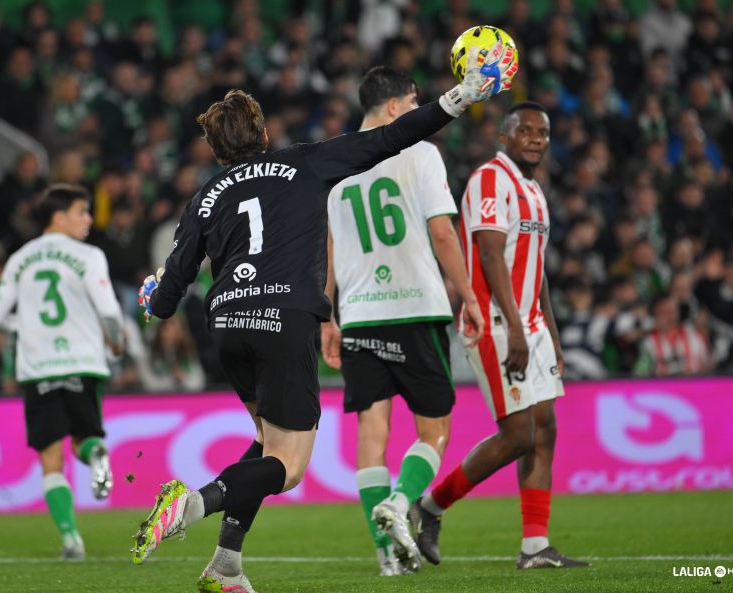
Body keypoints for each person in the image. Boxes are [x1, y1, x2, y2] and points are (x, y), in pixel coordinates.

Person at [131, 43, 517, 593]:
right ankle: (192, 504)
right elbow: (391, 137)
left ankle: (226, 566)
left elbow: (167, 296)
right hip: (284, 318)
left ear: (217, 150)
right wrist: (460, 97)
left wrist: (150, 297)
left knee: (267, 444)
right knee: (286, 468)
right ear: (262, 134)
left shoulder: (204, 198)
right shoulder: (302, 163)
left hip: (228, 327)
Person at [319, 66, 485, 576]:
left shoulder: (334, 161)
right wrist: (469, 295)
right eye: (414, 104)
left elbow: (325, 247)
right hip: (414, 307)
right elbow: (442, 234)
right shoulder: (421, 153)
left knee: (373, 432)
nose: (418, 113)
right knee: (434, 430)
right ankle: (398, 501)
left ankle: (385, 554)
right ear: (394, 107)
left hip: (359, 316)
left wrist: (327, 316)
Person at [410, 102, 588, 569]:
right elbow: (490, 256)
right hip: (493, 322)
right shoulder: (491, 179)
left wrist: (549, 330)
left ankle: (535, 547)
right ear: (504, 136)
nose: (536, 138)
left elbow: (537, 269)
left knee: (544, 429)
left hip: (530, 325)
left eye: (543, 132)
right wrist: (515, 329)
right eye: (525, 130)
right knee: (518, 435)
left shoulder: (533, 190)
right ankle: (430, 507)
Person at [0, 183, 124, 560]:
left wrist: (25, 325)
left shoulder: (19, 259)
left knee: (50, 458)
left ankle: (70, 538)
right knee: (83, 439)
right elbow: (109, 311)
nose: (89, 220)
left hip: (38, 367)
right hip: (83, 361)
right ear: (58, 216)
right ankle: (96, 454)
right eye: (82, 211)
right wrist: (117, 341)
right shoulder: (90, 255)